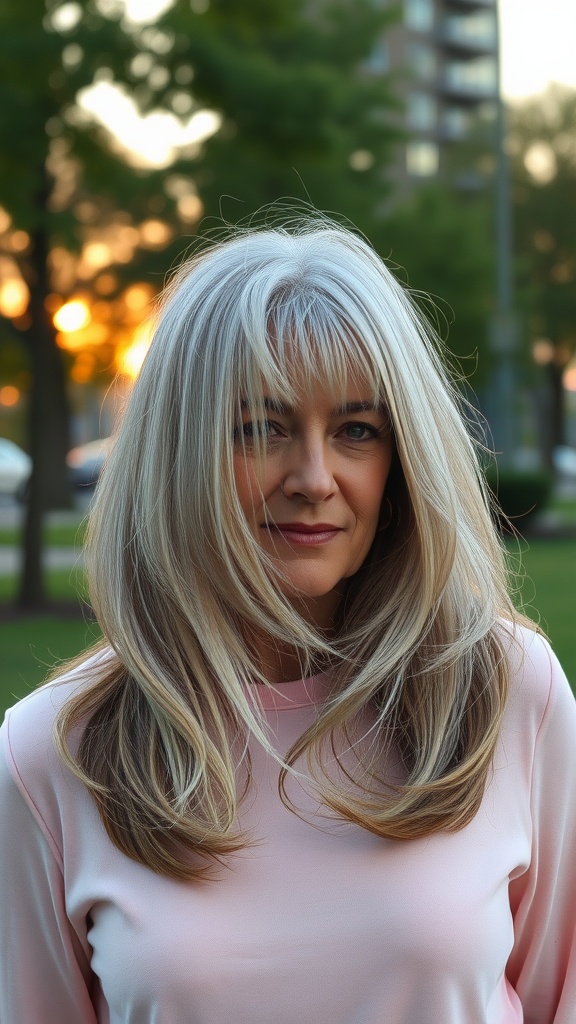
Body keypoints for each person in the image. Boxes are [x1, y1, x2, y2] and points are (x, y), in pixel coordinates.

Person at [1, 215, 575, 1024]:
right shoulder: (50, 753)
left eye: (356, 431)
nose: (313, 477)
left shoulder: (510, 695)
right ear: (178, 452)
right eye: (260, 428)